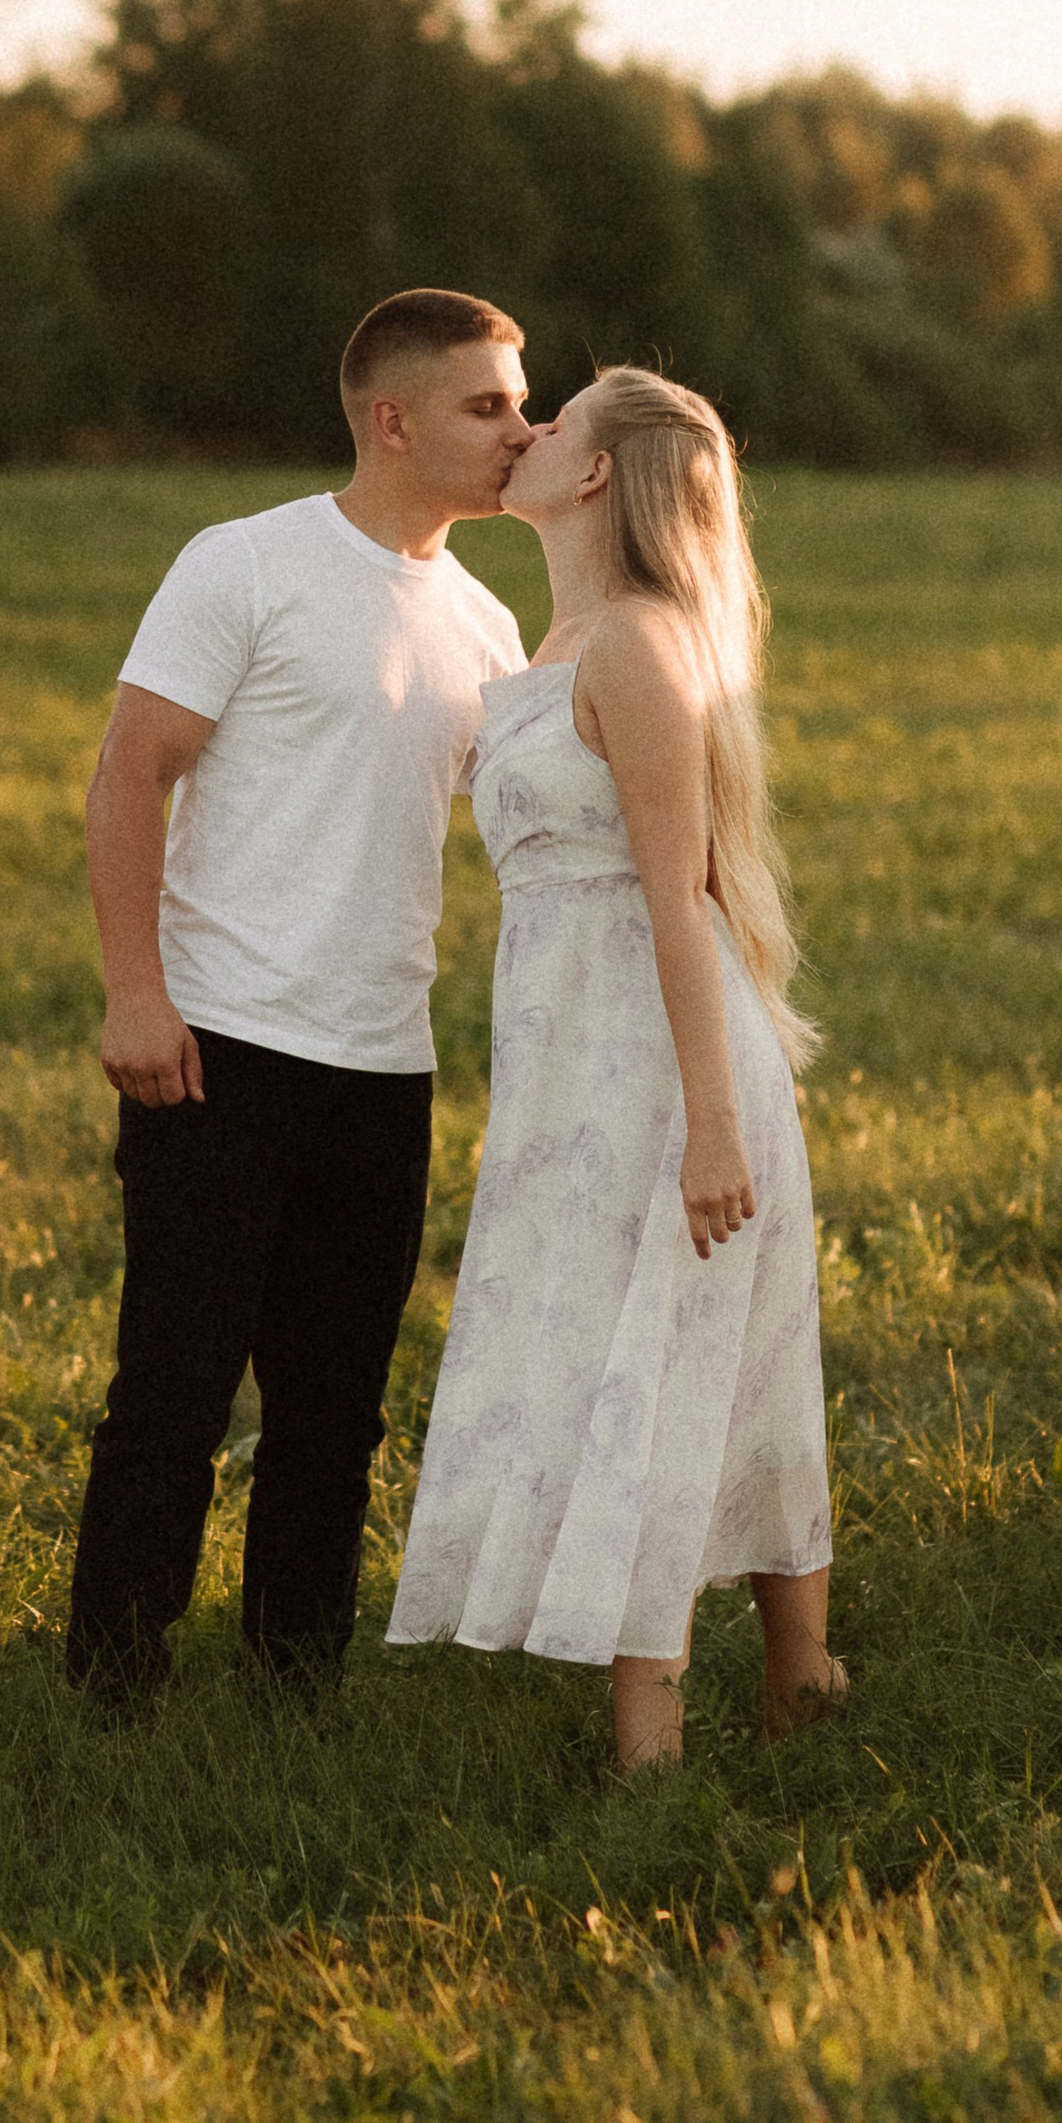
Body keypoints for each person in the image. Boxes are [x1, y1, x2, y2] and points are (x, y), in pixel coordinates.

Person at [65, 287, 533, 1708]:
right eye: (490, 405)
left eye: (522, 403)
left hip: (385, 1067)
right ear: (392, 420)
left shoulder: (487, 622)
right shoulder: (248, 564)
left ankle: (293, 1691)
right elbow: (130, 768)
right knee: (175, 1396)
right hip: (218, 1048)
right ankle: (112, 1691)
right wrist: (136, 995)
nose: (523, 429)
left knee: (337, 1413)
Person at [387, 366, 837, 1772]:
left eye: (553, 420)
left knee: (683, 1357)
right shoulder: (552, 639)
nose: (524, 433)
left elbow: (678, 897)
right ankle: (805, 1676)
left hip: (664, 1057)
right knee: (643, 1355)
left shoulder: (638, 647)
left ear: (593, 476)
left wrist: (713, 1124)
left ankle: (666, 1744)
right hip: (568, 1064)